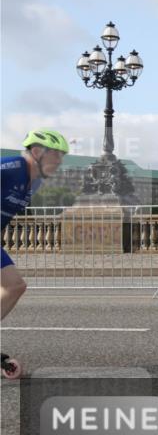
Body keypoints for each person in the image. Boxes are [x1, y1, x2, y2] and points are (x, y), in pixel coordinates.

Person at [1, 129, 69, 377]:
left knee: (15, 287)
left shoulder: (35, 182)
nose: (60, 162)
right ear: (38, 152)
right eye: (57, 156)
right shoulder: (12, 165)